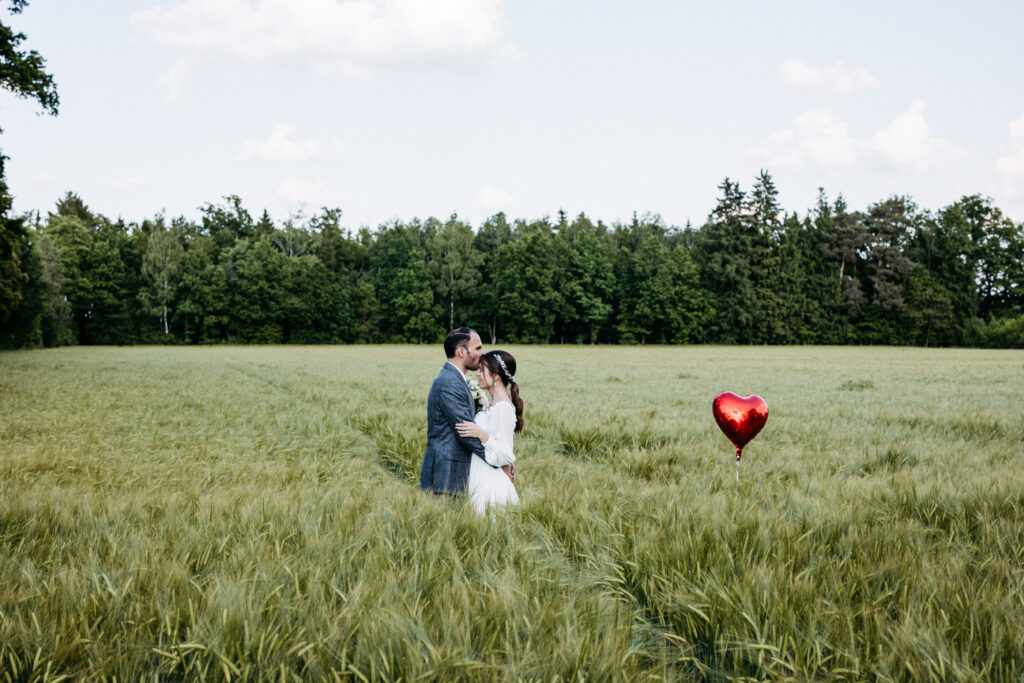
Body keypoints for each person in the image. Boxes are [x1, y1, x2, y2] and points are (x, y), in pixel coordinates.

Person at [420, 327, 494, 495]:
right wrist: (496, 459)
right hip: (446, 473)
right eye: (478, 348)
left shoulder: (453, 378)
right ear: (461, 351)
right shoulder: (449, 383)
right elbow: (466, 431)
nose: (482, 354)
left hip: (449, 471)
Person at [455, 350, 522, 515]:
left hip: (490, 480)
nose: (477, 374)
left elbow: (505, 453)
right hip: (480, 472)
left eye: (481, 370)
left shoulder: (503, 409)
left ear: (496, 376)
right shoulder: (491, 405)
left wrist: (481, 434)